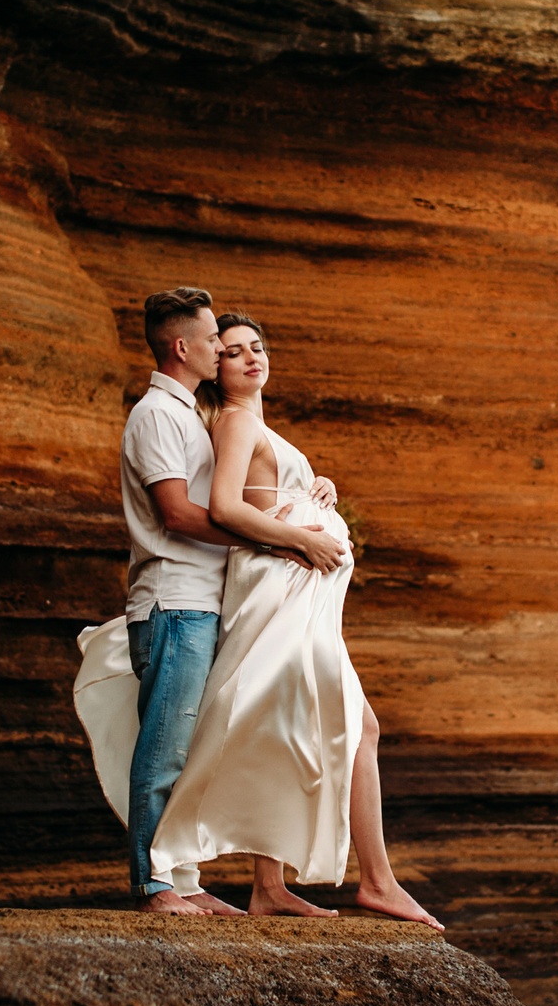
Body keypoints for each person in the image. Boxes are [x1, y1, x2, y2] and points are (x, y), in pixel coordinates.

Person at [145, 311, 442, 928]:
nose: (251, 358)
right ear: (214, 367)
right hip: (278, 590)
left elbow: (262, 489)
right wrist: (297, 540)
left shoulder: (254, 424)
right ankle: (378, 881)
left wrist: (313, 488)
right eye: (232, 352)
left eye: (258, 347)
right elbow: (226, 508)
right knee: (347, 724)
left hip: (297, 595)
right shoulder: (233, 422)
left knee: (298, 721)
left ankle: (270, 885)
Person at [104, 288, 344, 916]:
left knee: (188, 748)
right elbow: (181, 515)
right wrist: (280, 542)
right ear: (183, 347)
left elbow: (246, 490)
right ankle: (153, 887)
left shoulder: (192, 417)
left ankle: (183, 883)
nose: (222, 349)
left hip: (203, 602)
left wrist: (302, 496)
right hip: (173, 601)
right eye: (214, 340)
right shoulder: (156, 414)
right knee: (164, 749)